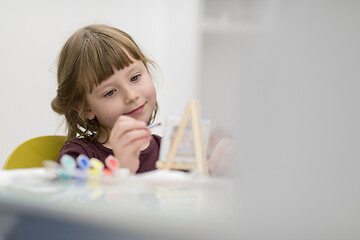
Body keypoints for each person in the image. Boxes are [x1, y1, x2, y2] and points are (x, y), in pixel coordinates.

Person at [51, 24, 159, 174]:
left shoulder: (172, 151)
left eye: (135, 77)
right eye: (110, 92)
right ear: (85, 108)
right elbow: (76, 197)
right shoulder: (79, 160)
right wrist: (123, 169)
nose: (131, 96)